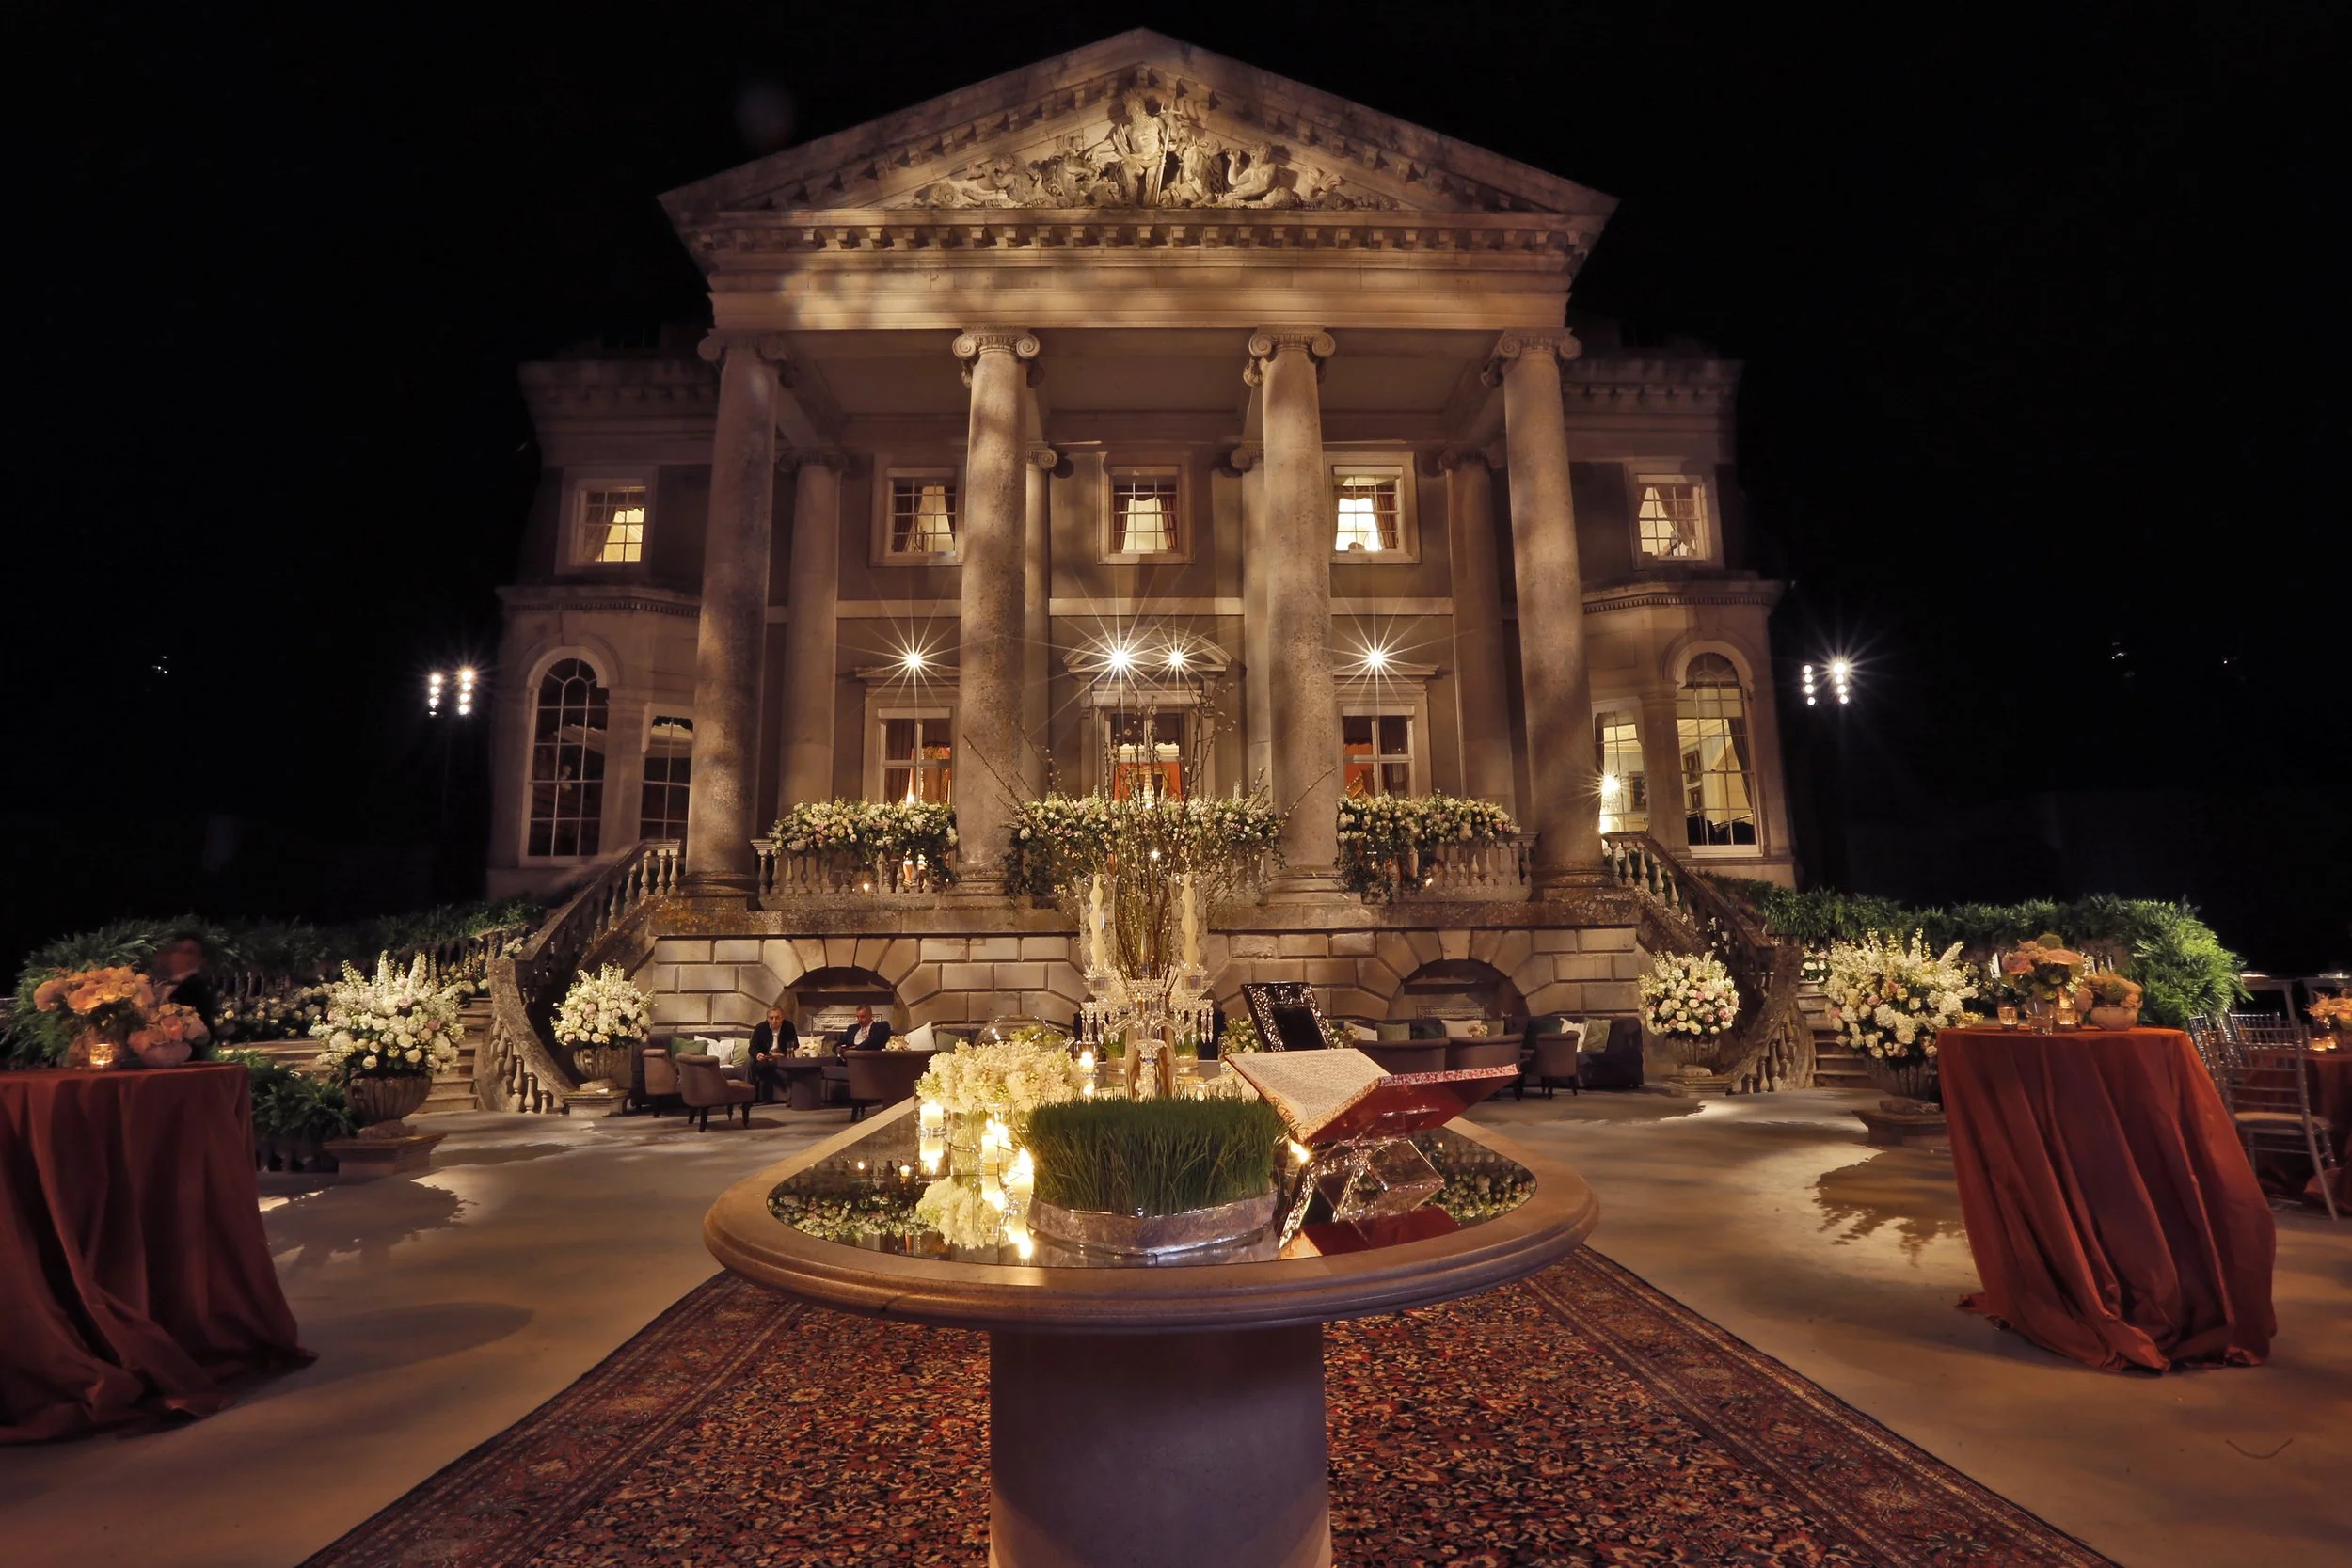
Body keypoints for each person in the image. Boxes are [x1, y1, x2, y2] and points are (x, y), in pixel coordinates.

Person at [149, 935, 217, 1057]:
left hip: (186, 1058)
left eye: (189, 952)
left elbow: (203, 1029)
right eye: (177, 950)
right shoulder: (164, 985)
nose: (179, 955)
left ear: (200, 960)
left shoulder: (196, 987)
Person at [747, 1006, 799, 1103]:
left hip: (783, 1058)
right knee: (750, 1064)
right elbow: (752, 1047)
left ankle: (792, 1098)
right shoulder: (760, 1027)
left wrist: (784, 1054)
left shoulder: (789, 1026)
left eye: (777, 1017)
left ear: (782, 1018)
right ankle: (749, 1098)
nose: (774, 1020)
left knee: (794, 1067)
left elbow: (795, 1044)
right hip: (766, 1058)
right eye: (771, 1018)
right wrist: (758, 1054)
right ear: (767, 1019)